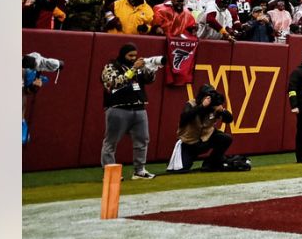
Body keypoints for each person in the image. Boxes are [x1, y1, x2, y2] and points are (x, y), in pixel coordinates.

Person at [100, 43, 161, 179]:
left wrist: (150, 68)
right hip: (118, 108)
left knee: (143, 140)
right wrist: (133, 69)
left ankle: (139, 171)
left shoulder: (138, 67)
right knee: (111, 142)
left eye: (135, 55)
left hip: (139, 108)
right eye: (130, 55)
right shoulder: (111, 67)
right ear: (123, 55)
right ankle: (110, 173)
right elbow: (113, 83)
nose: (133, 58)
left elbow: (149, 80)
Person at [170, 85, 234, 172]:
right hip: (190, 143)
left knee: (226, 138)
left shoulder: (214, 106)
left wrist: (222, 111)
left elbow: (229, 119)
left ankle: (210, 163)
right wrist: (202, 106)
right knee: (181, 169)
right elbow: (184, 118)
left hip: (207, 138)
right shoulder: (191, 104)